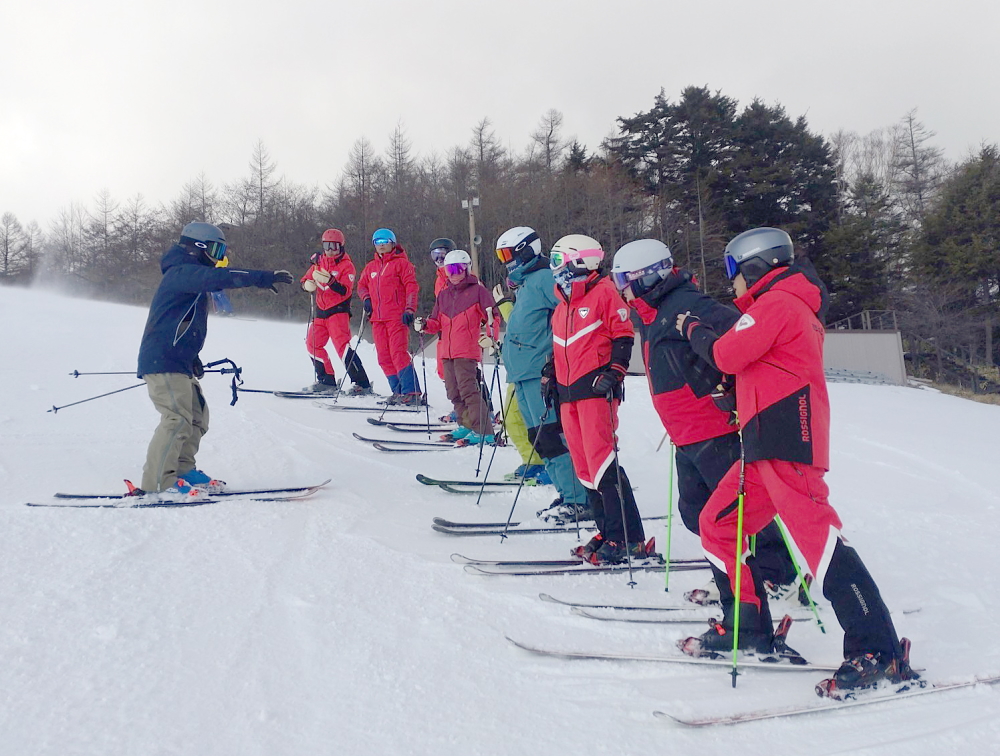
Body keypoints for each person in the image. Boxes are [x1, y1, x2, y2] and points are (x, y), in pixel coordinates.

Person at [676, 227, 916, 695]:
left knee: (820, 543)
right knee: (720, 525)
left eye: (733, 272)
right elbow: (757, 367)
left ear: (754, 268)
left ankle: (878, 650)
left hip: (787, 440)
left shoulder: (779, 304)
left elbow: (726, 353)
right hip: (764, 442)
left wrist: (695, 329)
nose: (731, 285)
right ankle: (747, 627)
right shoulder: (781, 307)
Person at [610, 239, 800, 605]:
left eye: (624, 280)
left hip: (716, 427)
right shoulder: (652, 312)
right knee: (694, 510)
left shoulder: (689, 304)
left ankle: (779, 577)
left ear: (647, 277)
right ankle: (735, 574)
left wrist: (727, 385)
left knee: (740, 512)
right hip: (686, 432)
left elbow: (743, 339)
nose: (622, 290)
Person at [134, 222, 293, 500]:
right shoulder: (181, 273)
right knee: (176, 418)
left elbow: (181, 324)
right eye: (216, 250)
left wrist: (192, 357)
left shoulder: (188, 275)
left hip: (178, 361)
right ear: (198, 248)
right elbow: (219, 278)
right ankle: (157, 482)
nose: (218, 257)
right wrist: (262, 278)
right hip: (163, 361)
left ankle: (182, 469)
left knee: (196, 417)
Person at [544, 234, 650, 565]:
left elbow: (623, 336)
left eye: (559, 262)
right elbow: (561, 346)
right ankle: (607, 529)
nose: (555, 270)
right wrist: (550, 374)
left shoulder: (605, 293)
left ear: (579, 261)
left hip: (595, 391)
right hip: (568, 393)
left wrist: (614, 372)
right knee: (585, 467)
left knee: (602, 462)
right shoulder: (562, 304)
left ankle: (627, 536)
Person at [494, 226, 586, 516]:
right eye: (502, 255)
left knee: (552, 435)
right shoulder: (526, 285)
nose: (506, 260)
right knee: (540, 438)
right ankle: (567, 493)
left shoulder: (546, 278)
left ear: (526, 250)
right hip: (522, 374)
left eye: (509, 253)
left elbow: (570, 314)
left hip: (540, 373)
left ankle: (579, 498)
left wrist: (556, 356)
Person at [413, 250, 499, 445]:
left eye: (459, 269)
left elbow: (492, 316)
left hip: (466, 350)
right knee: (453, 391)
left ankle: (483, 430)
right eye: (450, 270)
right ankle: (466, 424)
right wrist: (425, 325)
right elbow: (436, 322)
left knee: (468, 390)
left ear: (467, 269)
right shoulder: (443, 295)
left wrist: (490, 336)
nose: (454, 274)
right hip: (447, 351)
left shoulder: (478, 291)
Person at [300, 228, 373, 395]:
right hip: (321, 312)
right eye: (327, 246)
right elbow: (305, 278)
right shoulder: (319, 262)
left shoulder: (347, 265)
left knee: (342, 347)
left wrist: (331, 281)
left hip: (337, 312)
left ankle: (362, 383)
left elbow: (345, 290)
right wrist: (306, 285)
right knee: (312, 344)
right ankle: (326, 380)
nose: (331, 250)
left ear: (341, 247)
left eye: (334, 246)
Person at [357, 228, 422, 405]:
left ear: (392, 243)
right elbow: (361, 285)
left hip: (396, 316)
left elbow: (411, 287)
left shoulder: (402, 264)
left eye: (385, 241)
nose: (381, 245)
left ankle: (411, 391)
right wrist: (366, 298)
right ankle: (398, 391)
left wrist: (409, 309)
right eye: (377, 242)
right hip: (377, 318)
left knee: (398, 352)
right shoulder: (371, 267)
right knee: (383, 356)